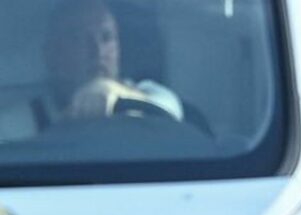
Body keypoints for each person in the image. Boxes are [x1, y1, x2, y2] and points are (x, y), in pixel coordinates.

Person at [0, 0, 182, 140]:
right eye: (78, 38)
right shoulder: (19, 123)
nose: (97, 50)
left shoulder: (153, 96)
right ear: (52, 53)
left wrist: (111, 91)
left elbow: (171, 116)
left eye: (106, 37)